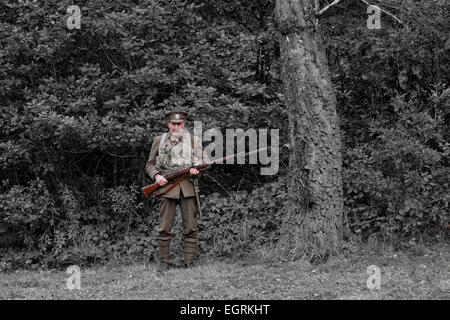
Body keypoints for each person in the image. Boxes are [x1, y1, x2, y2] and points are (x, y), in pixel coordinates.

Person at [146, 110, 206, 272]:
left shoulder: (193, 140)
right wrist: (157, 176)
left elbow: (204, 162)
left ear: (184, 124)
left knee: (191, 227)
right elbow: (150, 164)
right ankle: (164, 261)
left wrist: (197, 170)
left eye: (179, 124)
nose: (176, 127)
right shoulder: (159, 140)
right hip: (166, 188)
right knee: (164, 227)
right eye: (173, 124)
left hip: (187, 187)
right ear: (169, 125)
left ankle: (189, 262)